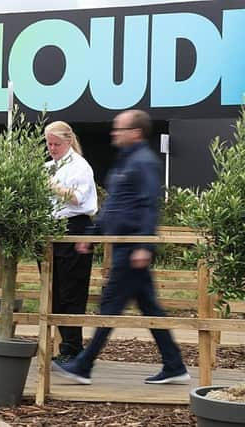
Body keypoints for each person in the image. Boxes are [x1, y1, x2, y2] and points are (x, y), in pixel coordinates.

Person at [53, 110, 191, 385]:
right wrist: (92, 234)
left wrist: (143, 246)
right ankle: (174, 364)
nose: (114, 133)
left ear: (135, 133)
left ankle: (83, 365)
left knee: (110, 305)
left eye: (120, 129)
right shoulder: (125, 161)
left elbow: (149, 205)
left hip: (131, 249)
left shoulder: (144, 163)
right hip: (122, 247)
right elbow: (115, 206)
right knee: (150, 308)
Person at [44, 121, 97, 362]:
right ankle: (67, 345)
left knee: (72, 290)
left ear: (68, 141)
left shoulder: (80, 166)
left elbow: (77, 198)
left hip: (74, 226)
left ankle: (73, 347)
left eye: (56, 144)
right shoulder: (50, 166)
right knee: (55, 289)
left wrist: (53, 186)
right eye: (49, 143)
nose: (52, 148)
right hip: (52, 228)